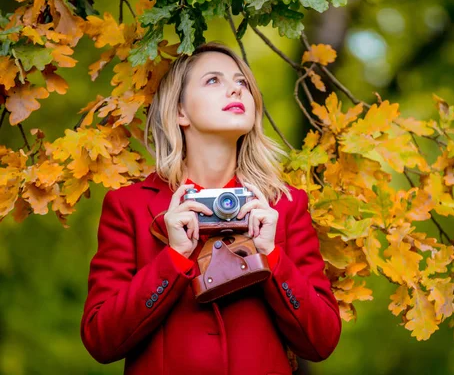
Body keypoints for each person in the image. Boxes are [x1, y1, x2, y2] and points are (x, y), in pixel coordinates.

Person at [80, 41, 342, 375]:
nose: (235, 89)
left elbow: (321, 342)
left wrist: (272, 258)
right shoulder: (129, 206)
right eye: (213, 80)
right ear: (180, 112)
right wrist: (172, 258)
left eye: (242, 82)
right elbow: (100, 340)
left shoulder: (284, 206)